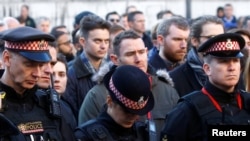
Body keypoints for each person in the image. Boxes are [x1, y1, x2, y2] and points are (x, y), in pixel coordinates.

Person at [78, 30, 179, 141]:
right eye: (130, 54)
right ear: (115, 59)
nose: (138, 59)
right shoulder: (96, 96)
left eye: (141, 52)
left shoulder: (168, 92)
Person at [160, 33, 250, 141]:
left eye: (235, 61)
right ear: (207, 69)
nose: (232, 68)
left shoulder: (247, 102)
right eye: (224, 62)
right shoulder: (187, 110)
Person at [0, 26, 76, 140]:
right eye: (29, 64)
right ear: (7, 59)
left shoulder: (52, 106)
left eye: (41, 65)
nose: (37, 73)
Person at [75, 65, 154, 141]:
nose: (133, 117)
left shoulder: (143, 133)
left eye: (137, 112)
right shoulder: (86, 136)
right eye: (127, 111)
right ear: (109, 101)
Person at [62, 14, 111, 121]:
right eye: (97, 41)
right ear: (83, 42)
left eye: (106, 41)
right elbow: (70, 117)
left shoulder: (112, 71)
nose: (103, 46)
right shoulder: (69, 74)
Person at [169, 15, 224, 97]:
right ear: (195, 41)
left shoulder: (233, 72)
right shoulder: (174, 79)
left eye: (221, 38)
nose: (217, 43)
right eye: (211, 38)